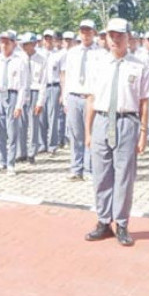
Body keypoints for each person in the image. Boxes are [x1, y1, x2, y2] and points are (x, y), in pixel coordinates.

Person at [84, 18, 149, 247]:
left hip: (127, 122)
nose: (115, 39)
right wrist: (88, 131)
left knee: (124, 176)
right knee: (101, 175)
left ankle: (121, 223)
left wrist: (143, 132)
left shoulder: (139, 65)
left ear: (128, 37)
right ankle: (103, 221)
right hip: (102, 120)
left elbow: (144, 101)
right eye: (111, 35)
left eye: (120, 35)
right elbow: (91, 99)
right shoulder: (98, 63)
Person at [0, 31, 29, 175]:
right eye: (2, 42)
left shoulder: (20, 60)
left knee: (12, 131)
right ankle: (1, 160)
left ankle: (11, 163)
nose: (3, 45)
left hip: (12, 94)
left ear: (13, 44)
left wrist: (19, 105)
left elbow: (23, 85)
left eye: (7, 42)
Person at [61, 20, 100, 181]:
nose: (85, 34)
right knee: (75, 133)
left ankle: (89, 168)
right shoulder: (72, 52)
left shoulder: (100, 53)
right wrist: (65, 97)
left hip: (91, 97)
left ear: (94, 33)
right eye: (83, 31)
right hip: (74, 96)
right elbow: (66, 75)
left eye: (88, 31)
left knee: (90, 133)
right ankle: (76, 168)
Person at [18, 33, 47, 163]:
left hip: (35, 90)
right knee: (20, 123)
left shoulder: (41, 59)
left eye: (27, 44)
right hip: (22, 91)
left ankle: (32, 152)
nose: (24, 47)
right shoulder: (19, 58)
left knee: (33, 123)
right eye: (23, 44)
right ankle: (21, 151)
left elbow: (44, 81)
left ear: (34, 44)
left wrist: (40, 101)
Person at [40, 29, 63, 156]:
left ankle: (52, 144)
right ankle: (42, 143)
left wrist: (62, 92)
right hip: (41, 87)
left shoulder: (58, 55)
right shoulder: (39, 54)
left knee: (53, 117)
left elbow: (62, 74)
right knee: (41, 117)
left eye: (51, 39)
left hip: (54, 86)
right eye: (46, 38)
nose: (48, 41)